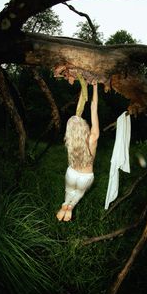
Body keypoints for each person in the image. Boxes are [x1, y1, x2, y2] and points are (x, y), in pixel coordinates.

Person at [56, 82, 99, 221]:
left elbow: (77, 115)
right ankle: (70, 207)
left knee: (69, 191)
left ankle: (65, 205)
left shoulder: (70, 141)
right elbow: (94, 107)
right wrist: (95, 86)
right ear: (84, 126)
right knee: (79, 193)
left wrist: (83, 87)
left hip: (72, 173)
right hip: (85, 177)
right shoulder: (93, 138)